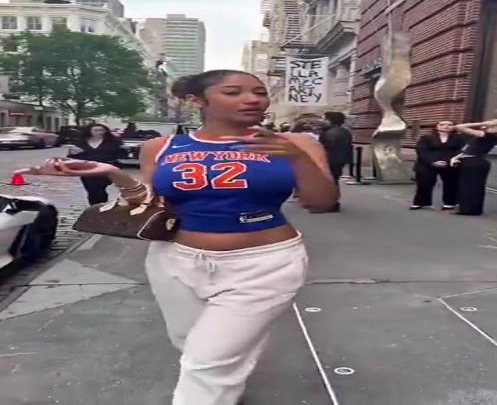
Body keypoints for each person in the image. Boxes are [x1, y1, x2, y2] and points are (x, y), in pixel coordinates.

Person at [21, 70, 338, 405]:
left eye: (259, 92)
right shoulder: (161, 147)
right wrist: (113, 174)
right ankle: (226, 387)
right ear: (196, 101)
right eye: (233, 92)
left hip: (265, 265)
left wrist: (296, 157)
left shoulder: (297, 143)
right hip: (175, 262)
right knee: (191, 342)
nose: (252, 99)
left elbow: (323, 202)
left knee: (207, 360)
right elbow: (154, 203)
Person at [410, 120, 465, 210]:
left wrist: (454, 159)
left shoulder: (459, 139)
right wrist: (432, 162)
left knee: (451, 183)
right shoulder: (426, 138)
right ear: (436, 127)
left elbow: (461, 150)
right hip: (428, 164)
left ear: (454, 127)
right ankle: (420, 202)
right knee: (425, 182)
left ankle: (450, 202)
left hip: (450, 164)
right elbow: (421, 151)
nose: (446, 126)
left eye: (449, 124)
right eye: (442, 124)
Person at [450, 119, 497, 215]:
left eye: (489, 126)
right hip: (472, 162)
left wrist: (482, 123)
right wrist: (456, 157)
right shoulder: (483, 136)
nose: (485, 127)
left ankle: (469, 210)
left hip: (474, 163)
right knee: (470, 186)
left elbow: (460, 127)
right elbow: (469, 150)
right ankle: (472, 209)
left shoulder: (488, 135)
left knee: (470, 187)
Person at [67, 123, 125, 205]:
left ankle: (101, 205)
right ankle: (94, 206)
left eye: (101, 130)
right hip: (86, 170)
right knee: (91, 190)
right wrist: (74, 153)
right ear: (90, 131)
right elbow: (72, 157)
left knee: (100, 189)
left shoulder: (113, 142)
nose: (99, 132)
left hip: (105, 169)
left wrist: (123, 151)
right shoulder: (81, 142)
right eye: (96, 130)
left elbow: (121, 155)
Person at [319, 111, 353, 212]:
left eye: (324, 119)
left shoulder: (329, 132)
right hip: (339, 160)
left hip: (331, 160)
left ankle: (331, 203)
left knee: (329, 182)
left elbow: (325, 147)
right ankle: (332, 202)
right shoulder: (345, 131)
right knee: (334, 180)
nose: (322, 121)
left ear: (330, 120)